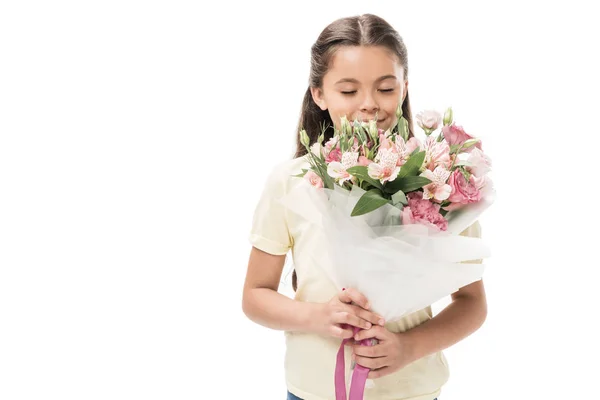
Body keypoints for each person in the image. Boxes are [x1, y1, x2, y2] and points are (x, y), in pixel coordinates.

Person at [242, 13, 487, 400]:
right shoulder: (291, 181)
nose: (369, 105)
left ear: (404, 88)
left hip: (412, 391)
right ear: (319, 94)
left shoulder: (439, 179)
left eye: (385, 88)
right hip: (313, 390)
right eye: (348, 91)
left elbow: (471, 303)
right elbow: (255, 295)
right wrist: (320, 317)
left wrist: (409, 347)